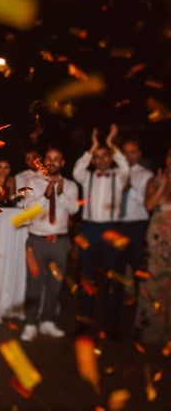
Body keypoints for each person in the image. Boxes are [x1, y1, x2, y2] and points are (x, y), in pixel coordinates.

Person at [73, 125, 129, 338]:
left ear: (111, 158)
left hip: (112, 229)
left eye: (106, 156)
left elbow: (124, 165)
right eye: (98, 157)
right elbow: (77, 170)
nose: (102, 159)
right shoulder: (87, 176)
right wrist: (93, 146)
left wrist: (112, 143)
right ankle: (85, 322)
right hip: (90, 228)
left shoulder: (119, 175)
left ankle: (112, 324)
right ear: (94, 160)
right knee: (86, 275)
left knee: (113, 276)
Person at [20, 148, 79, 342]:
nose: (52, 162)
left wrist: (60, 194)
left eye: (56, 159)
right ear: (44, 161)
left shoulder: (70, 185)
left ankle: (47, 321)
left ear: (62, 163)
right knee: (34, 283)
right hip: (36, 241)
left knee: (55, 284)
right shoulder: (32, 182)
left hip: (60, 242)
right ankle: (30, 323)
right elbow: (28, 209)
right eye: (49, 158)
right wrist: (45, 195)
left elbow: (74, 208)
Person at [135, 147, 171, 345]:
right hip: (157, 241)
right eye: (170, 156)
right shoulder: (154, 180)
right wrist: (162, 186)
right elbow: (148, 206)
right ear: (166, 159)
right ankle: (151, 333)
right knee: (153, 284)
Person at [119, 138, 153, 295]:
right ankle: (114, 312)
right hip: (118, 225)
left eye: (132, 152)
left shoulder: (146, 175)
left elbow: (148, 203)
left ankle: (141, 307)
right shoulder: (116, 173)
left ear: (138, 154)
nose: (128, 156)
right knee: (117, 269)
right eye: (125, 152)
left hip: (137, 227)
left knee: (138, 268)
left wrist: (129, 189)